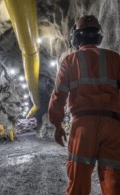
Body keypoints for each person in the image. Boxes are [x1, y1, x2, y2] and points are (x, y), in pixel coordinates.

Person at [48, 15, 120, 195]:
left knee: (78, 179)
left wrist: (57, 124)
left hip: (83, 126)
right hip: (113, 126)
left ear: (76, 37)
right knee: (114, 180)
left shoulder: (70, 60)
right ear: (98, 36)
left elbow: (58, 95)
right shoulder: (115, 58)